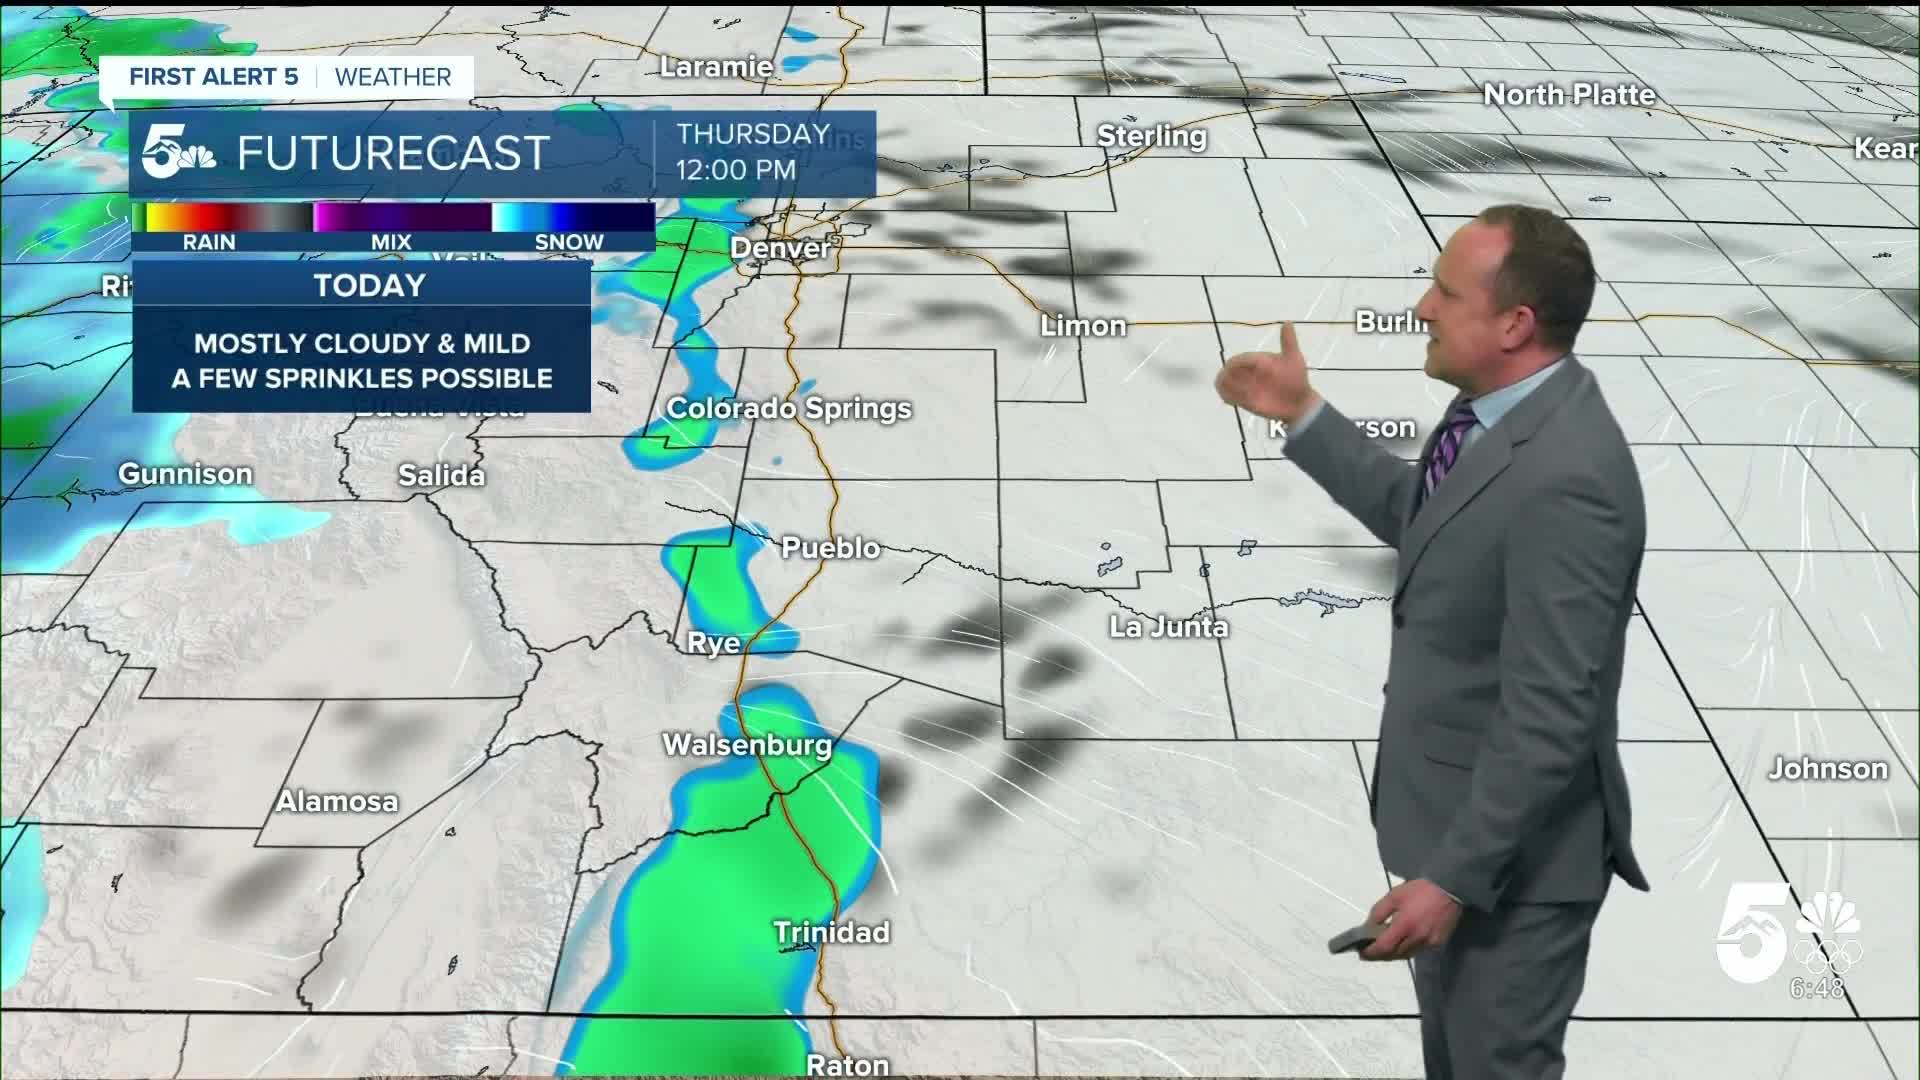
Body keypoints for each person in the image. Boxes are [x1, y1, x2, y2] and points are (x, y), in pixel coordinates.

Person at [1214, 204, 1650, 1079]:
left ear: (1514, 325)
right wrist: (1301, 413)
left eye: (1446, 294)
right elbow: (1430, 523)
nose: (1422, 308)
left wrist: (1453, 879)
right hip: (1461, 848)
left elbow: (1552, 712)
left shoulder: (1570, 478)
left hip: (1513, 874)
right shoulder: (1500, 414)